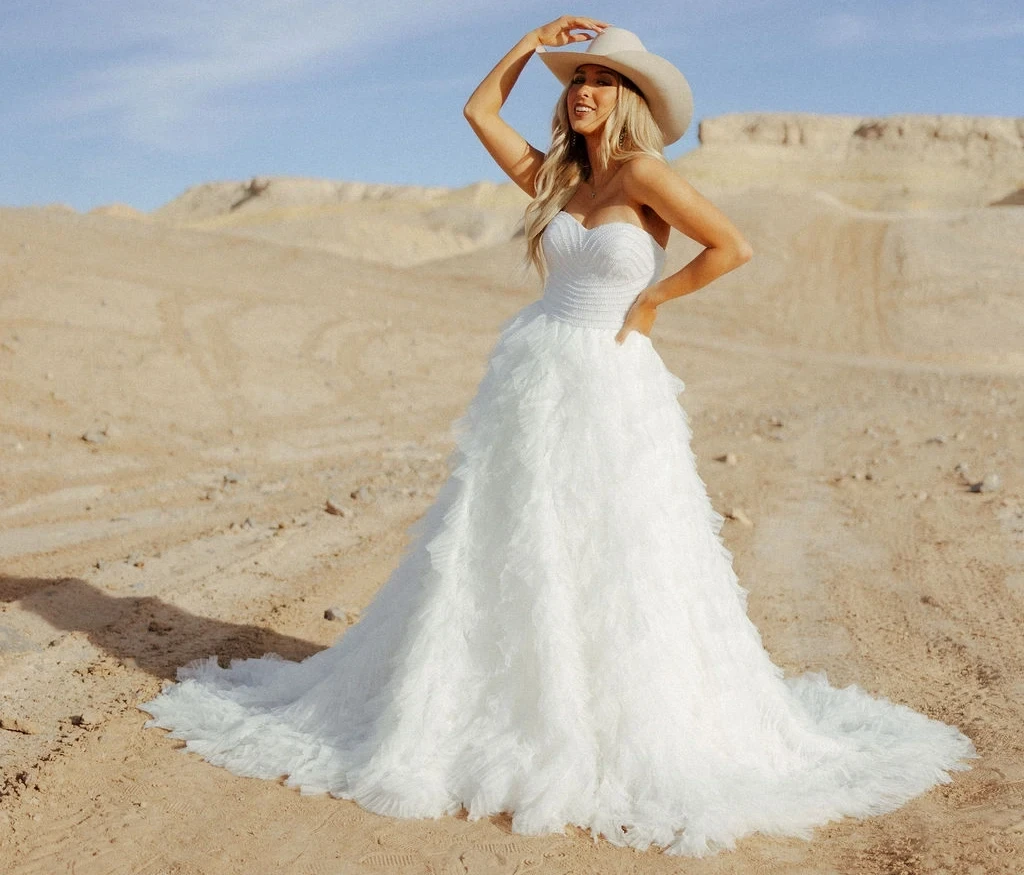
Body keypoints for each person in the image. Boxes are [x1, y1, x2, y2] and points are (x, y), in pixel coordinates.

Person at [140, 17, 977, 857]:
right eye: (574, 78)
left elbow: (733, 246)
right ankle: (502, 704)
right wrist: (527, 43)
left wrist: (651, 303)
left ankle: (615, 718)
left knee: (619, 547)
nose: (581, 90)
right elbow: (477, 111)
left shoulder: (645, 172)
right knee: (512, 544)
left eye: (601, 79)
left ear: (631, 97)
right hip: (535, 378)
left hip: (613, 381)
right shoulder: (553, 180)